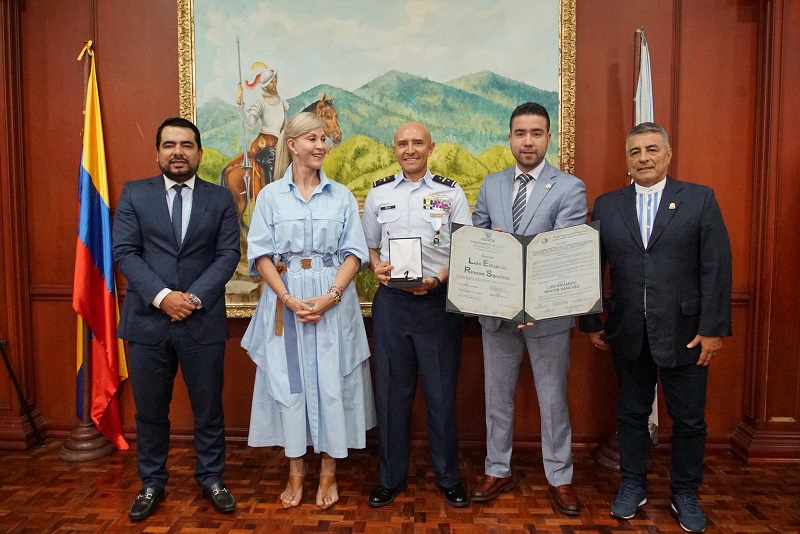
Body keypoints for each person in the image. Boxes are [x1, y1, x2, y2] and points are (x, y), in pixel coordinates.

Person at [580, 122, 732, 533]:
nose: (643, 158)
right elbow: (593, 266)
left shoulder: (699, 199)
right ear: (626, 160)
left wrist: (714, 329)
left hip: (687, 333)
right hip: (627, 331)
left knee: (688, 420)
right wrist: (592, 322)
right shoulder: (608, 205)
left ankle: (685, 493)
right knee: (630, 414)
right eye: (635, 152)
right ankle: (633, 484)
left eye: (651, 150)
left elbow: (716, 267)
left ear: (668, 154)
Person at [242, 112, 376, 510]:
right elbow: (261, 254)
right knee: (291, 383)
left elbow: (354, 252)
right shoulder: (269, 196)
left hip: (332, 299)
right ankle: (296, 470)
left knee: (332, 382)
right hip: (286, 301)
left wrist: (331, 295)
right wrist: (286, 297)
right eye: (312, 139)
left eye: (324, 139)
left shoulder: (342, 196)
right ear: (293, 144)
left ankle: (330, 472)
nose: (321, 146)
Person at [113, 117, 240, 521]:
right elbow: (125, 253)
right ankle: (151, 483)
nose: (178, 152)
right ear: (158, 152)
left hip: (201, 322)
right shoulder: (135, 194)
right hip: (148, 323)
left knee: (209, 409)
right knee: (150, 411)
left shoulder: (219, 199)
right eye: (169, 145)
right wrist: (165, 297)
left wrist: (194, 298)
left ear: (199, 153)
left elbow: (228, 255)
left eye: (186, 145)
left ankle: (211, 478)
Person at [471, 102, 587, 515]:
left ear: (548, 138)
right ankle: (497, 469)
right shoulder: (492, 184)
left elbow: (565, 252)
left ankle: (560, 477)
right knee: (497, 397)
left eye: (536, 133)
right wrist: (490, 240)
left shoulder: (570, 187)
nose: (528, 141)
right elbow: (477, 235)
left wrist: (537, 300)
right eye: (520, 133)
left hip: (547, 316)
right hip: (497, 313)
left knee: (553, 399)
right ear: (509, 138)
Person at [362, 121, 472, 508]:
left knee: (441, 395)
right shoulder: (378, 195)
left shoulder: (451, 192)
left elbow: (466, 248)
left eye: (417, 143)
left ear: (431, 147)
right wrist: (375, 267)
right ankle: (390, 478)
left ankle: (448, 477)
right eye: (403, 143)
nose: (410, 149)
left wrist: (439, 279)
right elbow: (369, 246)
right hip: (392, 305)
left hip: (437, 305)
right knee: (392, 394)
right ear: (394, 149)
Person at [236, 64, 289, 193]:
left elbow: (283, 123)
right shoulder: (260, 102)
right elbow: (250, 122)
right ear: (265, 86)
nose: (275, 84)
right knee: (271, 163)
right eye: (272, 82)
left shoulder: (281, 101)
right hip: (265, 145)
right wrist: (240, 103)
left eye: (275, 81)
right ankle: (272, 195)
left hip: (280, 142)